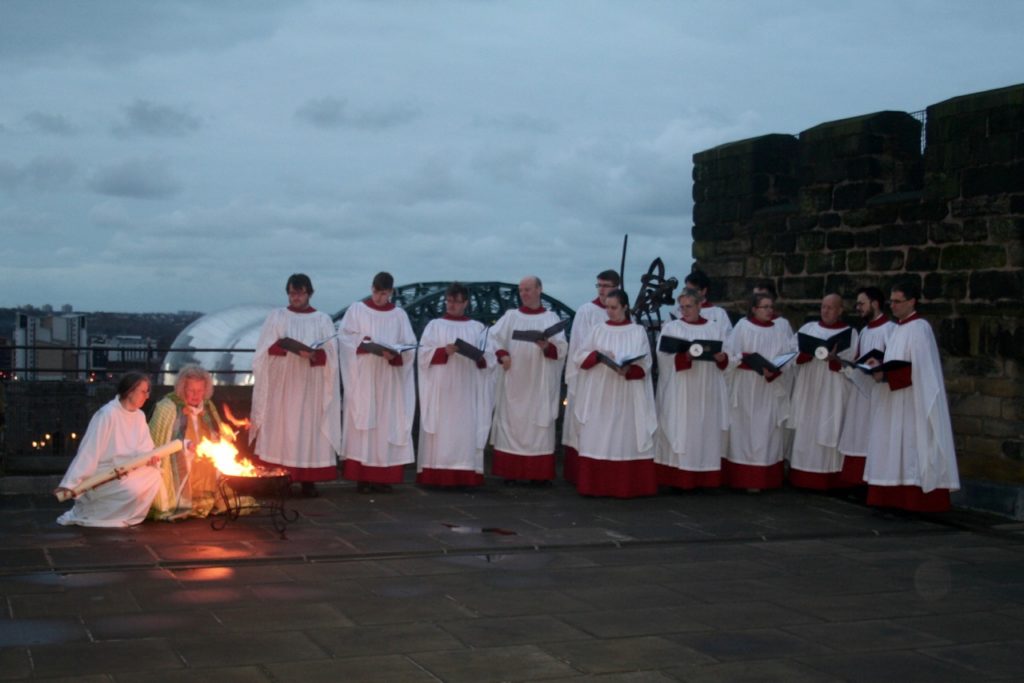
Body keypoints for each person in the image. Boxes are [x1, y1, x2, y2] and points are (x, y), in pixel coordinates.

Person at [865, 281, 960, 512]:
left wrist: (887, 374)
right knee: (893, 447)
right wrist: (879, 366)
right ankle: (891, 498)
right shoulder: (898, 328)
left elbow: (921, 369)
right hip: (895, 400)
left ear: (912, 301)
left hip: (913, 401)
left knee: (911, 448)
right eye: (892, 302)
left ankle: (916, 501)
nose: (893, 306)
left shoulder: (920, 328)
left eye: (898, 301)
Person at [251, 273, 342, 497]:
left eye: (300, 293)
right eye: (292, 293)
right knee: (281, 428)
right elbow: (263, 351)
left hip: (311, 385)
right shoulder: (277, 317)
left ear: (309, 293)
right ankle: (280, 478)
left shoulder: (322, 319)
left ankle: (308, 480)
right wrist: (286, 348)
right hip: (283, 385)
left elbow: (332, 353)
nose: (295, 297)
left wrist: (313, 355)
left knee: (309, 428)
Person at [572, 289, 657, 497]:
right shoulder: (597, 330)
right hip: (600, 391)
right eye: (607, 308)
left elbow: (646, 363)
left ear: (625, 307)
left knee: (624, 435)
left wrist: (629, 370)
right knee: (597, 435)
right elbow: (579, 356)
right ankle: (595, 485)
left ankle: (627, 485)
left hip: (626, 393)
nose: (609, 312)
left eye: (614, 308)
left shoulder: (637, 331)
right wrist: (597, 356)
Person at [338, 271, 417, 493]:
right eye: (376, 292)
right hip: (364, 376)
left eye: (384, 294)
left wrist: (396, 354)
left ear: (390, 292)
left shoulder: (399, 315)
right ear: (371, 288)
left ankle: (382, 477)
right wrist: (363, 343)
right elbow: (344, 337)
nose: (379, 298)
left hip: (388, 379)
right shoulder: (357, 310)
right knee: (364, 424)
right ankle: (362, 476)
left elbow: (410, 344)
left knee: (386, 424)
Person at [54, 372, 163, 527]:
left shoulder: (139, 416)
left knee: (154, 475)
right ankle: (102, 514)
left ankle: (125, 515)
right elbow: (89, 451)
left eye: (148, 392)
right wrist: (71, 483)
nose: (146, 396)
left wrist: (150, 458)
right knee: (131, 488)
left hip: (129, 468)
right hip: (104, 471)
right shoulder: (107, 414)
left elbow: (145, 448)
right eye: (143, 391)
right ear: (130, 391)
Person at [416, 282, 496, 487]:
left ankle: (465, 475)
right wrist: (443, 351)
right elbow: (423, 355)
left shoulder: (477, 328)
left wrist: (478, 357)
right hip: (441, 390)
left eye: (456, 301)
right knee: (441, 432)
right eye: (449, 301)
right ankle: (436, 475)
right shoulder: (435, 326)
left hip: (467, 390)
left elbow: (489, 359)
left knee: (465, 433)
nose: (451, 305)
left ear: (466, 303)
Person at [489, 275, 568, 484]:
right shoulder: (511, 316)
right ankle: (510, 472)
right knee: (512, 423)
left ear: (539, 290)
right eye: (521, 290)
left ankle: (538, 475)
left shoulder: (551, 318)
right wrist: (502, 354)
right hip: (515, 379)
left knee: (538, 425)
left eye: (528, 289)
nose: (524, 293)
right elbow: (493, 339)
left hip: (539, 381)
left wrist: (547, 347)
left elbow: (561, 349)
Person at [655, 288, 730, 489]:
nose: (685, 311)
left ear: (700, 306)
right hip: (682, 387)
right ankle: (679, 478)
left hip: (707, 387)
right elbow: (663, 357)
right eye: (682, 307)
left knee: (705, 430)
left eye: (689, 306)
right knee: (682, 427)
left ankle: (705, 477)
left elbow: (728, 356)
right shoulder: (672, 328)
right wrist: (684, 356)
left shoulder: (714, 329)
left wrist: (722, 359)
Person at [723, 292, 796, 491]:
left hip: (769, 387)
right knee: (744, 431)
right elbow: (729, 355)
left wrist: (775, 369)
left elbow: (789, 357)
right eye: (765, 307)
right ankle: (742, 479)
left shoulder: (779, 331)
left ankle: (765, 479)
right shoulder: (743, 326)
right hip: (746, 387)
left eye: (771, 307)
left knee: (767, 431)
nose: (769, 310)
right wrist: (744, 359)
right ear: (754, 309)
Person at [787, 294, 859, 490]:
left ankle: (829, 479)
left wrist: (836, 359)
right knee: (806, 429)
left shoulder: (849, 333)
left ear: (840, 310)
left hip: (832, 388)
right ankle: (801, 476)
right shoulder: (808, 329)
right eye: (823, 307)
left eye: (831, 307)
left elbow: (852, 363)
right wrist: (805, 353)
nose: (826, 311)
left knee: (830, 427)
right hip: (809, 386)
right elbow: (791, 353)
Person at [148, 365, 229, 520]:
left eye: (200, 391)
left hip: (204, 457)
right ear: (182, 388)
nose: (196, 395)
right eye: (191, 390)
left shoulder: (208, 405)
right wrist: (184, 446)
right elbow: (160, 440)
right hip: (177, 458)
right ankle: (181, 501)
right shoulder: (168, 406)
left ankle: (204, 501)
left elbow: (217, 432)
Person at [562, 269, 618, 483]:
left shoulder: (623, 312)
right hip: (588, 375)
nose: (602, 290)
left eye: (606, 286)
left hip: (612, 379)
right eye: (599, 286)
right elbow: (578, 344)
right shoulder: (587, 311)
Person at [837, 287, 896, 485]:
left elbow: (892, 360)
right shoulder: (863, 331)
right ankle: (855, 481)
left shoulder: (890, 329)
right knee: (858, 432)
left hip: (879, 392)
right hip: (860, 390)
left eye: (862, 303)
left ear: (875, 304)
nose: (858, 308)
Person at [675, 269, 734, 333]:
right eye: (686, 290)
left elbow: (727, 338)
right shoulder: (678, 312)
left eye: (692, 290)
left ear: (704, 291)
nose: (688, 293)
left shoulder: (718, 314)